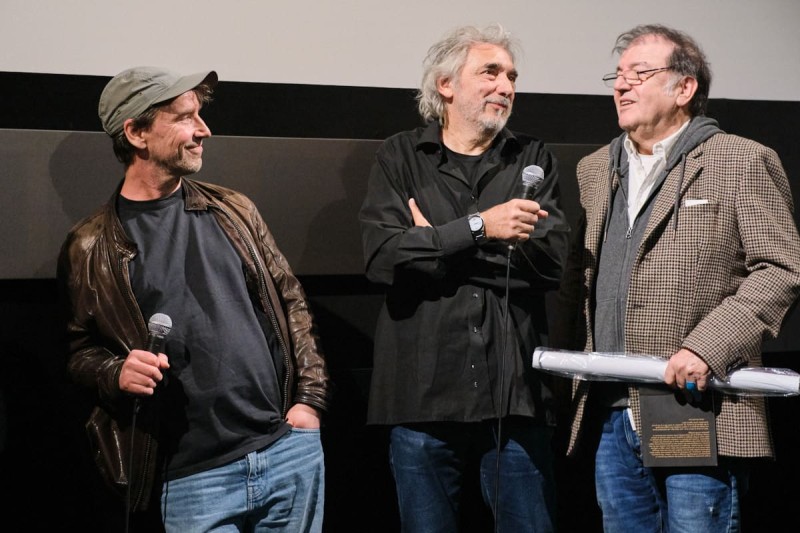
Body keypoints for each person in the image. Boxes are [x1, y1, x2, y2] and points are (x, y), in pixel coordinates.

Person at [57, 66, 331, 532]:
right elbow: (79, 352)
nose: (203, 130)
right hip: (192, 478)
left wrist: (309, 401)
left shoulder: (234, 210)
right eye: (185, 118)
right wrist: (115, 372)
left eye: (199, 116)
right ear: (137, 132)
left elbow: (292, 304)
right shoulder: (91, 245)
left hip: (286, 452)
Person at [553, 24, 800, 532]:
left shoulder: (741, 161)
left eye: (639, 73)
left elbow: (780, 268)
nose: (621, 86)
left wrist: (707, 347)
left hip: (694, 406)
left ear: (684, 89)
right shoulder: (596, 169)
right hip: (611, 411)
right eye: (616, 76)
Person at [359, 23, 570, 532]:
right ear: (446, 86)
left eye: (512, 76)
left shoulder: (533, 159)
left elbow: (550, 264)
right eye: (491, 73)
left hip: (514, 400)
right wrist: (484, 228)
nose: (506, 86)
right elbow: (383, 257)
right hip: (422, 397)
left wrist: (440, 243)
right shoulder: (401, 156)